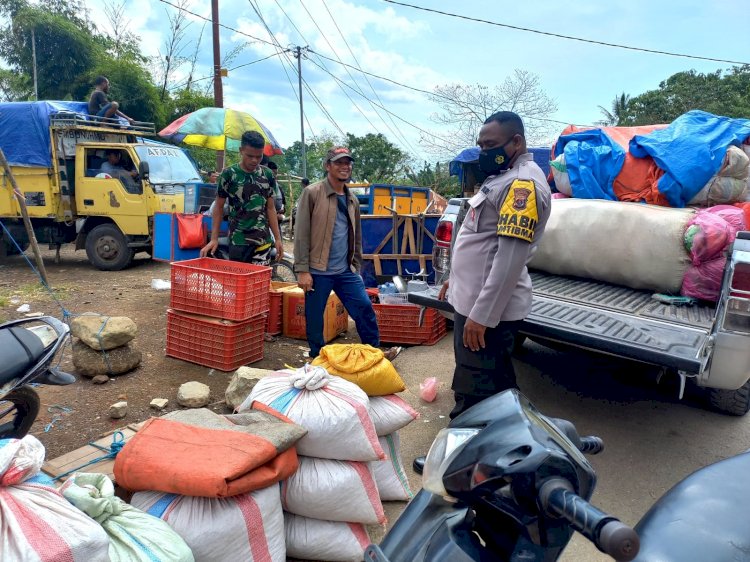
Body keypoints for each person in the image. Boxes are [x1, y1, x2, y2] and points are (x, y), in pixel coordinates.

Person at [413, 111, 552, 474]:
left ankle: (451, 465)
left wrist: (482, 315)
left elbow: (508, 259)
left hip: (486, 312)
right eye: (481, 145)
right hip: (472, 299)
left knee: (473, 390)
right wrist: (454, 281)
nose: (483, 151)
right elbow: (481, 241)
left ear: (516, 142)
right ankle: (508, 455)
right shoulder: (502, 178)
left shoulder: (521, 185)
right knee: (494, 384)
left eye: (491, 145)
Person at [294, 147, 380, 359]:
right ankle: (317, 358)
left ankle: (374, 355)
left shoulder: (353, 200)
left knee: (364, 309)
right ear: (327, 166)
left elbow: (356, 235)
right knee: (315, 319)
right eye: (339, 163)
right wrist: (302, 270)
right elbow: (301, 233)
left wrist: (356, 266)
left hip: (345, 271)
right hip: (317, 270)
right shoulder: (312, 193)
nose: (345, 166)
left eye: (348, 163)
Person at [200, 130, 283, 265]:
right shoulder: (228, 175)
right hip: (238, 241)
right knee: (240, 284)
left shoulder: (267, 175)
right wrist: (214, 238)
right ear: (241, 150)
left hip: (262, 241)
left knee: (259, 283)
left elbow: (271, 208)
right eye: (250, 156)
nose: (254, 160)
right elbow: (218, 207)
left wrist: (278, 239)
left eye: (259, 156)